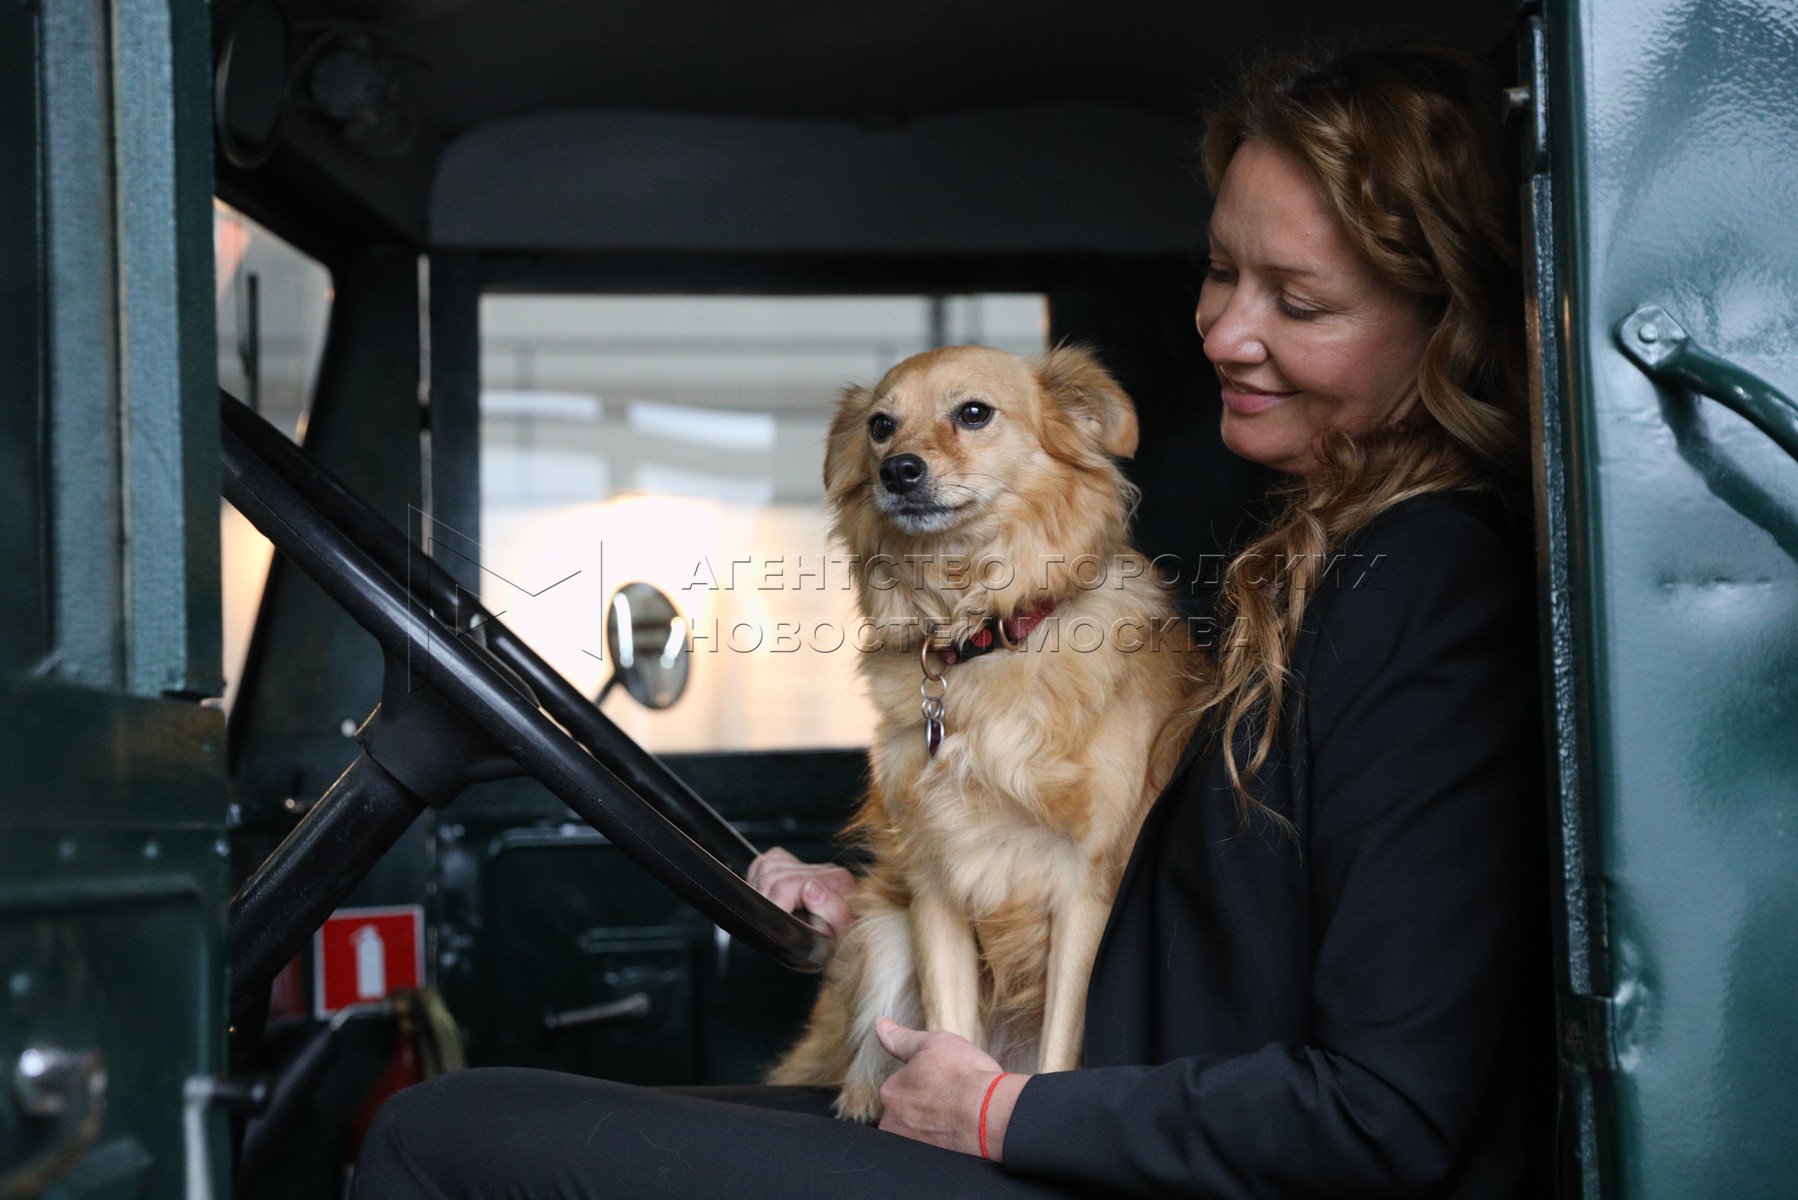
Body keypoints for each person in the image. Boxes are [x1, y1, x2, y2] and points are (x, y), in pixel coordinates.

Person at [349, 39, 1546, 1198]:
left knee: (440, 1132)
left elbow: (1388, 1114)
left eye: (1297, 299)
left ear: (1445, 323)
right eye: (1222, 270)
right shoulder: (1317, 560)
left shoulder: (1432, 588)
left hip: (1112, 1143)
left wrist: (998, 1111)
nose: (1224, 331)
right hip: (1083, 1109)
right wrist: (894, 907)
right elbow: (1168, 904)